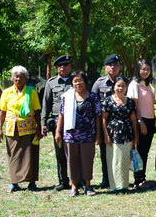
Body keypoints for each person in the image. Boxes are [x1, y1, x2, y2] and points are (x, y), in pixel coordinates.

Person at [55, 70, 101, 197]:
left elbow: (98, 116)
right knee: (72, 160)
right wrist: (58, 131)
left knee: (87, 160)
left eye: (80, 80)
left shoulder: (93, 97)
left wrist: (98, 133)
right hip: (70, 135)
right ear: (72, 83)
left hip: (88, 134)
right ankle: (74, 186)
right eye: (75, 81)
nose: (78, 83)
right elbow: (61, 114)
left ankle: (88, 186)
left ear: (85, 82)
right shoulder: (67, 96)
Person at [0, 66, 43, 192]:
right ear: (12, 78)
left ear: (25, 79)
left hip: (29, 128)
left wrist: (39, 129)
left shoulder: (31, 91)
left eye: (21, 76)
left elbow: (37, 111)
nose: (18, 78)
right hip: (12, 128)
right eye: (16, 76)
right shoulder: (6, 92)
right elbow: (2, 112)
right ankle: (14, 182)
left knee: (31, 154)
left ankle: (32, 182)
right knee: (13, 155)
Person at [91, 54, 124, 189]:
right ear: (105, 68)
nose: (113, 67)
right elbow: (93, 102)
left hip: (121, 123)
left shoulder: (125, 82)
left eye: (116, 65)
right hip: (104, 122)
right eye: (110, 65)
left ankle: (119, 178)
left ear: (119, 67)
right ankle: (106, 178)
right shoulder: (99, 83)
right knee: (105, 152)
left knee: (120, 152)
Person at [41, 55, 73, 191]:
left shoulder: (77, 80)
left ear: (70, 66)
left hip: (74, 121)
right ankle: (63, 181)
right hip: (56, 122)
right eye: (60, 65)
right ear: (56, 68)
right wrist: (43, 122)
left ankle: (79, 180)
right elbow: (46, 103)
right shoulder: (51, 82)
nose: (62, 67)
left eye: (65, 65)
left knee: (74, 152)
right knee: (60, 152)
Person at [102, 76, 139, 192]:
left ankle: (123, 185)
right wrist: (105, 135)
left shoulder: (130, 102)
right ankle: (114, 186)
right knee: (114, 160)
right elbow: (103, 119)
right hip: (113, 134)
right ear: (114, 87)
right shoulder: (108, 100)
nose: (120, 88)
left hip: (127, 134)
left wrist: (136, 136)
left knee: (124, 159)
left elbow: (133, 119)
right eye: (118, 85)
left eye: (123, 86)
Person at [127, 59, 155, 189]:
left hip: (150, 120)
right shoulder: (134, 84)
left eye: (148, 69)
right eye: (143, 69)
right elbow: (135, 107)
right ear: (138, 70)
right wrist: (140, 122)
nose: (145, 72)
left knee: (145, 151)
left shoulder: (148, 85)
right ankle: (138, 179)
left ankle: (143, 177)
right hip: (141, 120)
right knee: (139, 151)